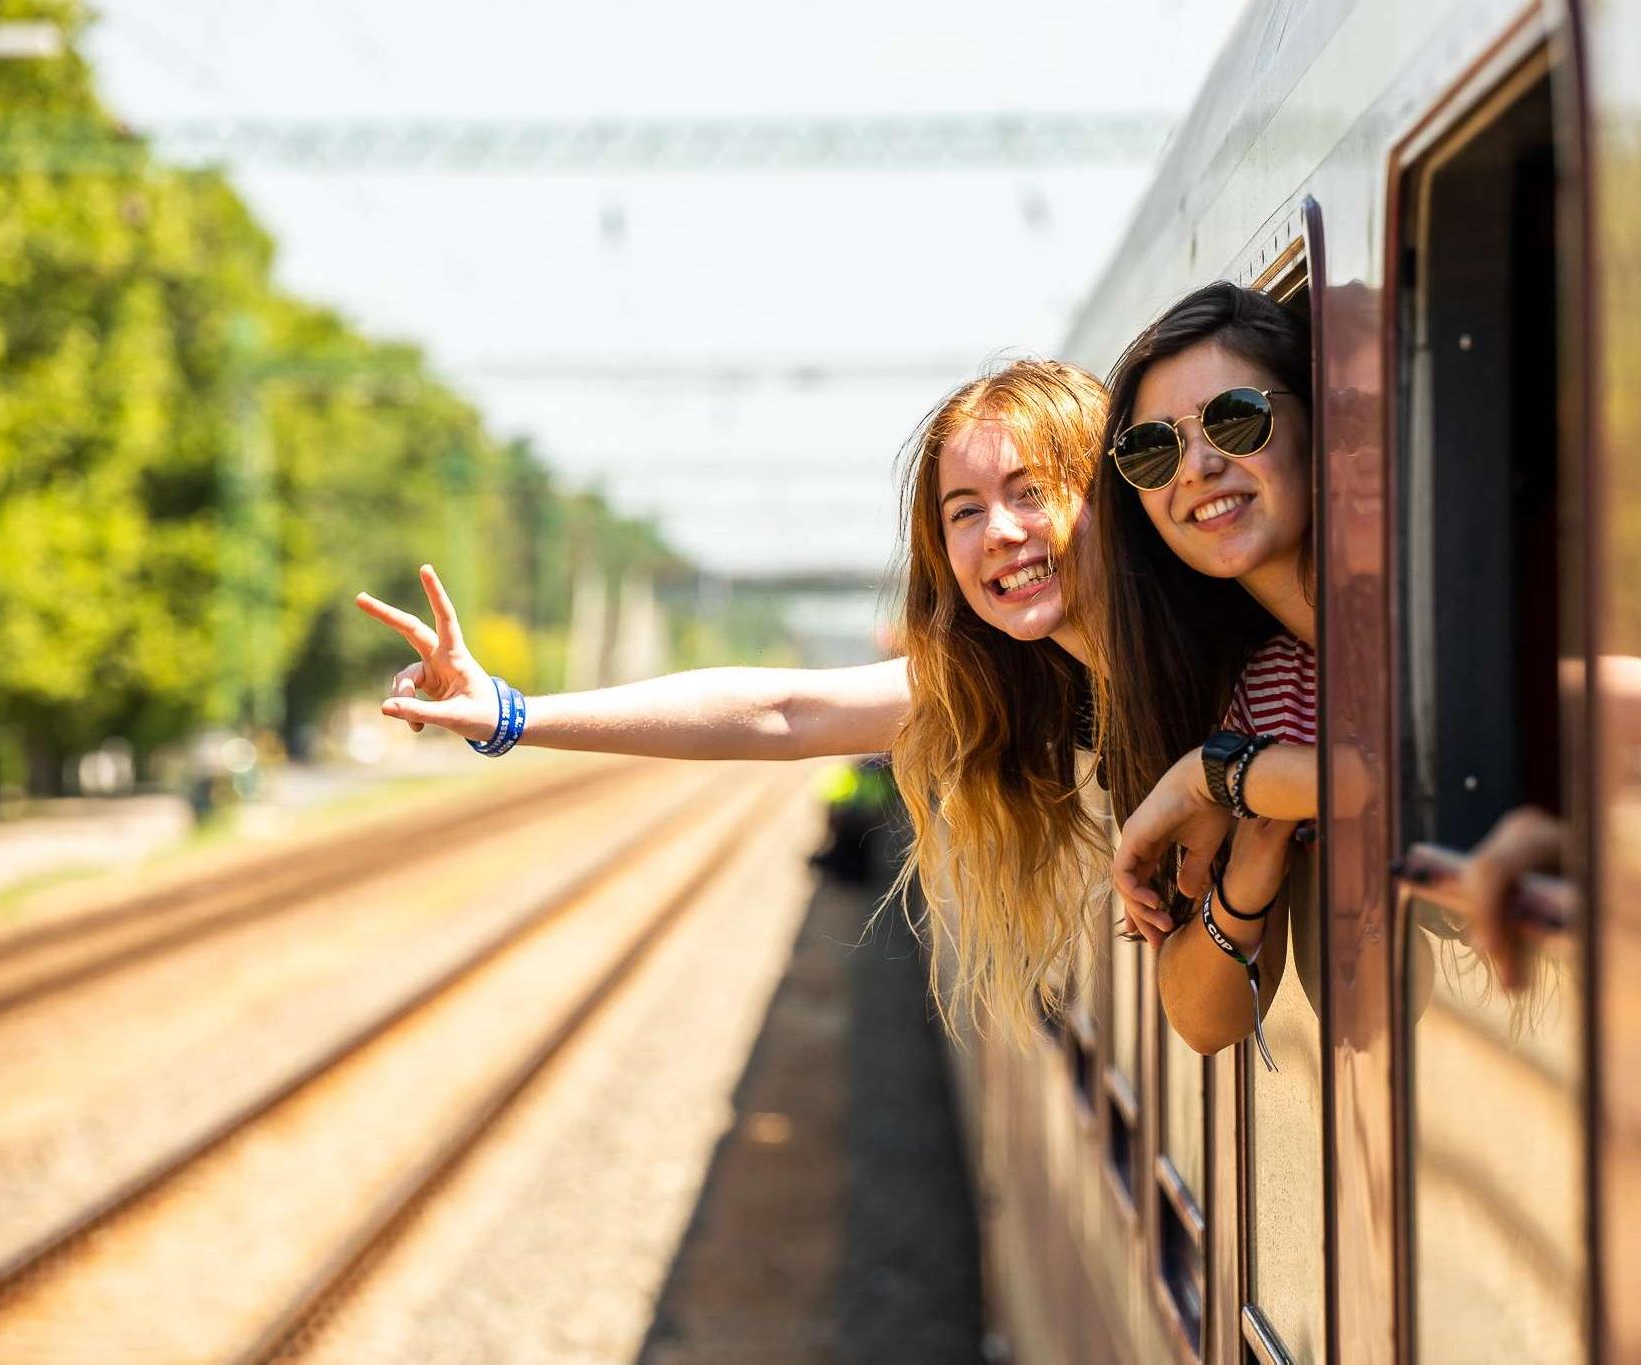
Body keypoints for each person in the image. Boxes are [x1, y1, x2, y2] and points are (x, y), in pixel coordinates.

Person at [355, 360, 1112, 1033]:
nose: (1001, 532)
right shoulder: (1008, 677)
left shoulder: (1190, 646)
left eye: (1032, 491)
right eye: (966, 511)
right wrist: (510, 714)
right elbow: (783, 710)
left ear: (1104, 493)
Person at [1088, 282, 1329, 1055]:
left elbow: (1424, 773)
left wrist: (1213, 775)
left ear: (1322, 422)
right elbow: (1202, 1023)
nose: (1195, 466)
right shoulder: (1269, 685)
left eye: (1235, 418)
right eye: (1153, 450)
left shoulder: (1430, 595)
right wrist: (1248, 878)